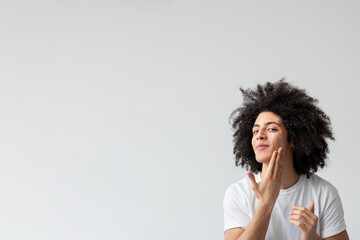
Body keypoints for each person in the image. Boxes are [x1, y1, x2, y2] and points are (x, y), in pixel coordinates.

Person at [223, 80, 349, 240]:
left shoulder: (324, 193)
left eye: (271, 129)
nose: (259, 135)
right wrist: (266, 203)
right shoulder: (238, 193)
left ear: (293, 140)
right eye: (255, 131)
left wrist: (313, 239)